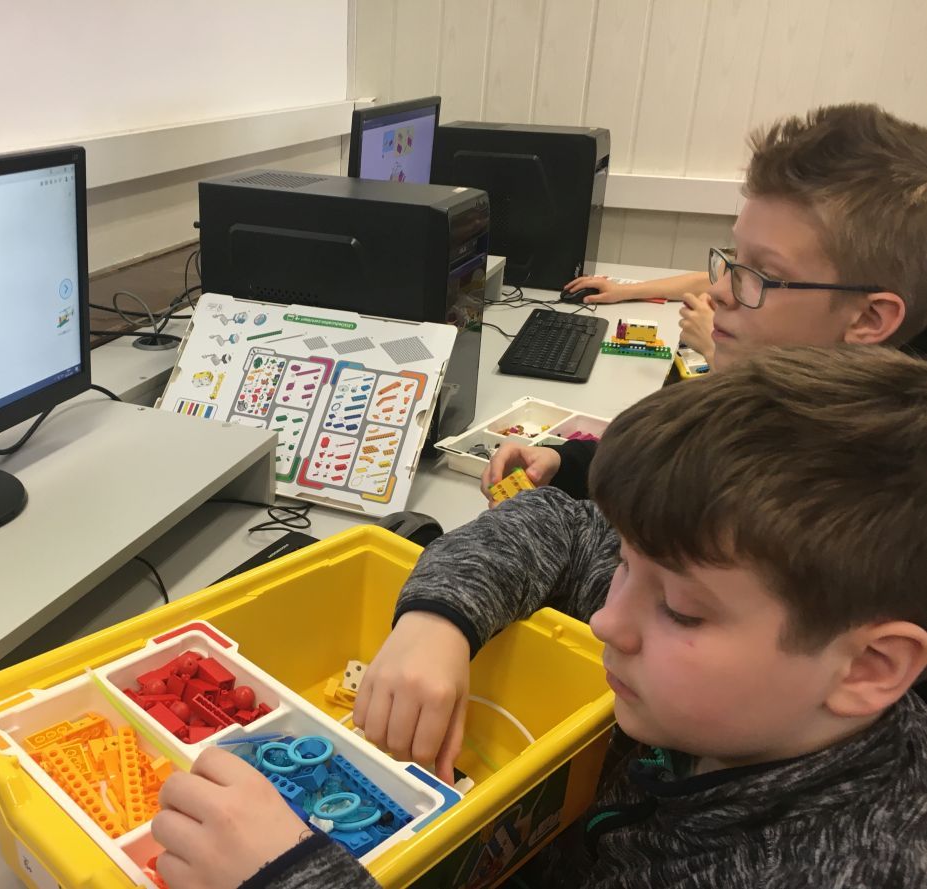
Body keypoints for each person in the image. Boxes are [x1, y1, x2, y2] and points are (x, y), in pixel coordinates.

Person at [149, 345, 927, 889]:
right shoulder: (743, 699)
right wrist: (438, 620)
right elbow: (558, 519)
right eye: (626, 566)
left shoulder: (833, 865)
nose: (607, 621)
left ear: (868, 667)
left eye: (681, 609)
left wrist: (288, 877)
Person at [485, 103, 927, 503]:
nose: (717, 292)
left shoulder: (825, 506)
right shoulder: (764, 406)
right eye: (735, 260)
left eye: (764, 274)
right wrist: (565, 464)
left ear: (869, 318)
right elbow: (656, 463)